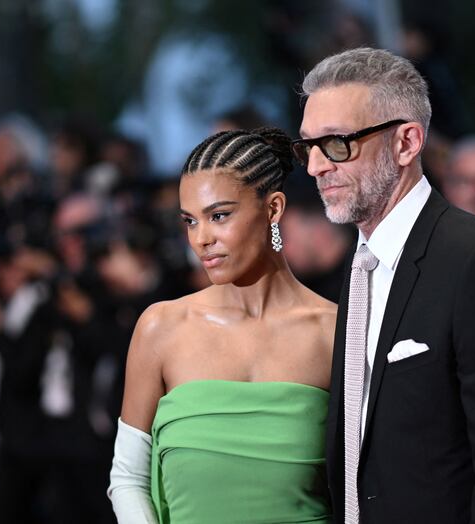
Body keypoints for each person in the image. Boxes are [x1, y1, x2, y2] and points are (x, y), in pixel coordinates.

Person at [294, 47, 475, 523]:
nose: (316, 166)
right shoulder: (358, 270)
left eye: (336, 143)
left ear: (407, 142)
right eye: (308, 146)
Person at [108, 127, 337, 523]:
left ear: (274, 208)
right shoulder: (162, 328)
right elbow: (129, 477)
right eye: (190, 221)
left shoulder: (335, 332)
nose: (201, 239)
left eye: (219, 215)